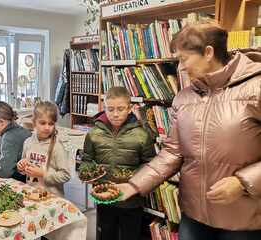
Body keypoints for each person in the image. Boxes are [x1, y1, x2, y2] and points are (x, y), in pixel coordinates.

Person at [117, 22, 261, 240]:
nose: (181, 67)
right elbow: (171, 153)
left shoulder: (256, 88)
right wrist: (134, 185)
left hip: (242, 222)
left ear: (208, 52)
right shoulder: (184, 98)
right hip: (193, 217)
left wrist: (243, 182)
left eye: (184, 59)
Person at [82, 86, 155, 240]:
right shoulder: (93, 133)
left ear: (130, 108)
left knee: (130, 235)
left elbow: (150, 165)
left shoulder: (142, 135)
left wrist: (133, 179)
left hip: (132, 201)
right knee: (106, 234)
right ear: (104, 108)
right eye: (110, 109)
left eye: (120, 109)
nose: (115, 114)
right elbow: (86, 160)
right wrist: (87, 173)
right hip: (104, 198)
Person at [17, 101, 71, 197]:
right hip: (32, 193)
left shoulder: (57, 146)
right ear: (34, 123)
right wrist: (21, 167)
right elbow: (25, 166)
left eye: (51, 124)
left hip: (53, 197)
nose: (47, 127)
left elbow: (65, 175)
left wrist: (43, 174)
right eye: (42, 123)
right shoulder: (28, 142)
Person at [0, 101, 31, 182]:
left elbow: (5, 172)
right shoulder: (21, 129)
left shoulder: (8, 138)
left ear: (1, 122)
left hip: (22, 180)